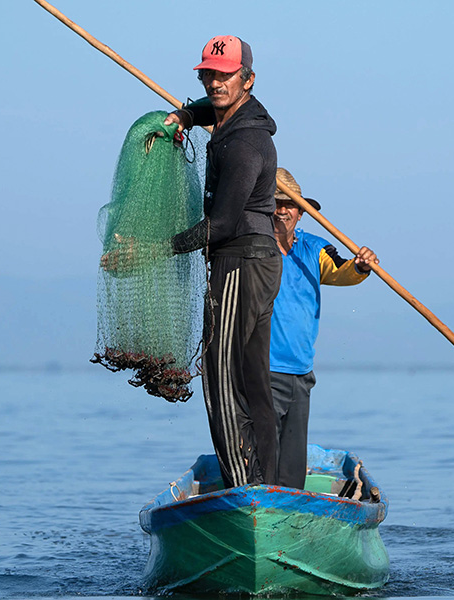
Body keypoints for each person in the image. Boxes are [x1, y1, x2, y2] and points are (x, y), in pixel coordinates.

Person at [163, 36, 281, 488]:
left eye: (224, 74)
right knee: (253, 382)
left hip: (239, 261)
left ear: (247, 79)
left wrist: (159, 249)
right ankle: (271, 488)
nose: (214, 82)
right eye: (208, 74)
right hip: (260, 261)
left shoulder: (246, 143)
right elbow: (212, 108)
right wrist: (185, 115)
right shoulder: (237, 120)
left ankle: (244, 490)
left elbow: (223, 223)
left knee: (218, 380)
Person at [270, 168, 378, 489]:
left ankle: (289, 518)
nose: (281, 210)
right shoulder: (252, 249)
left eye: (289, 204)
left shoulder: (314, 249)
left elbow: (343, 270)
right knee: (259, 461)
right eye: (274, 202)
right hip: (260, 371)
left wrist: (360, 266)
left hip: (300, 373)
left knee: (291, 467)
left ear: (301, 212)